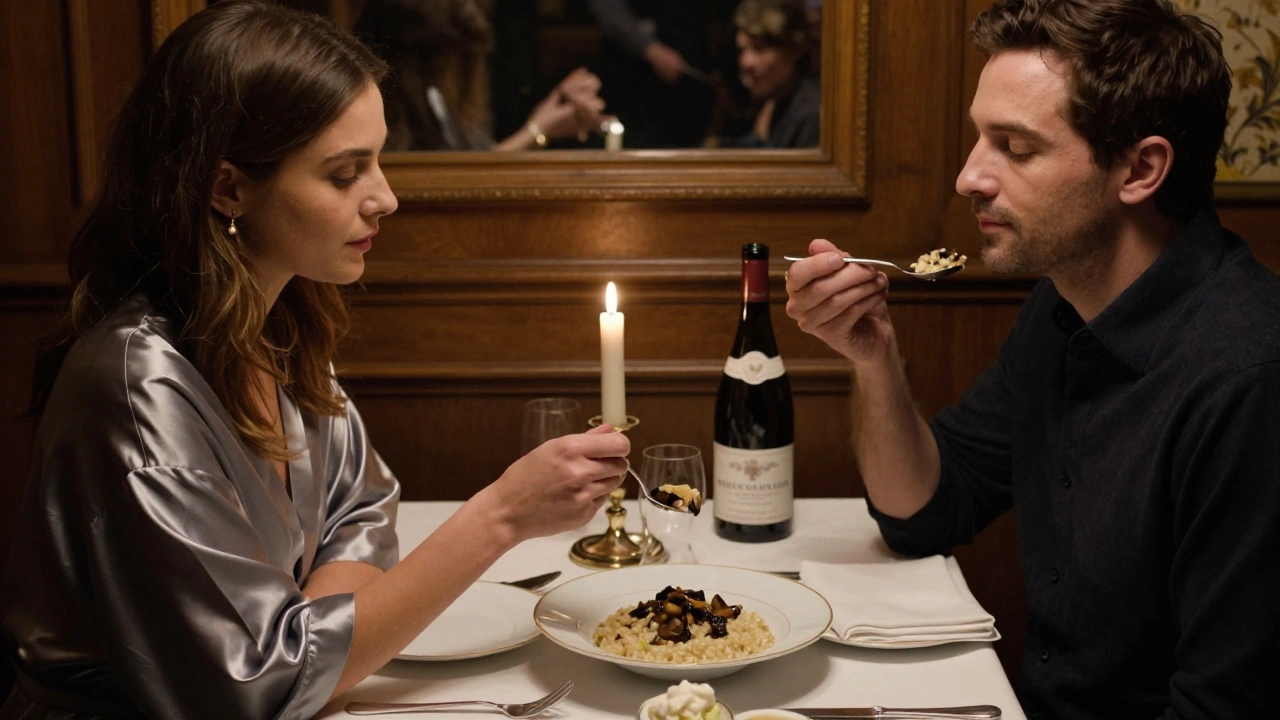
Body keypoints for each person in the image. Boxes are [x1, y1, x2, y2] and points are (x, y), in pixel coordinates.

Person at [0, 2, 629, 718]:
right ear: (228, 186)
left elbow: (360, 508)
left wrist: (313, 642)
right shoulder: (138, 389)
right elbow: (259, 688)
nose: (385, 198)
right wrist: (499, 518)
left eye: (379, 161)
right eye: (343, 174)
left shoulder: (276, 329)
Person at [784, 0, 1280, 718]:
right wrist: (872, 357)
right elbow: (923, 511)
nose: (968, 177)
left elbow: (1224, 706)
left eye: (1015, 148)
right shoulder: (1062, 307)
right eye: (979, 140)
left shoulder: (1249, 379)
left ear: (1140, 169)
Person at [355, 0, 606, 151]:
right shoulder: (392, 105)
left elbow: (476, 158)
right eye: (460, 63)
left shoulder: (438, 96)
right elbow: (449, 181)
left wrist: (547, 117)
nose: (471, 75)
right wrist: (538, 130)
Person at [721, 0, 819, 149]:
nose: (746, 62)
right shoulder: (776, 101)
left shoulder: (811, 113)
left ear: (793, 51)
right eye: (742, 50)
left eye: (759, 49)